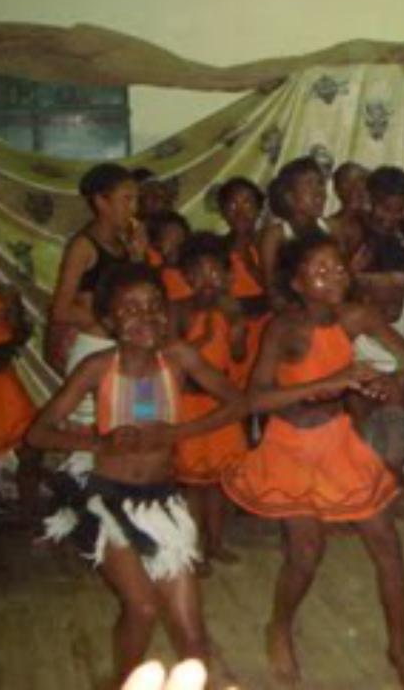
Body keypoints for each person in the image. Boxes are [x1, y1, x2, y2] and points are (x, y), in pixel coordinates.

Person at [220, 233, 404, 688]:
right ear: (296, 283)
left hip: (338, 442)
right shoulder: (285, 328)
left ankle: (398, 646)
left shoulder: (357, 315)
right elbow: (257, 399)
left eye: (338, 267)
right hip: (291, 446)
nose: (333, 276)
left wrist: (386, 382)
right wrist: (329, 382)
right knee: (306, 554)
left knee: (387, 544)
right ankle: (279, 625)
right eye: (319, 271)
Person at [30, 263, 245, 684]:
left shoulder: (179, 358)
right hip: (106, 500)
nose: (145, 317)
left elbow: (238, 403)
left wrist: (178, 431)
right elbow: (38, 433)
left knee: (193, 636)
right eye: (129, 310)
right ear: (108, 321)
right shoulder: (97, 367)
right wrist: (99, 443)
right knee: (143, 607)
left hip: (162, 501)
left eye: (153, 306)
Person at [48, 163, 147, 481]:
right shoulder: (83, 246)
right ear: (101, 201)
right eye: (126, 199)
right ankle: (82, 504)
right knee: (92, 430)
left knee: (129, 420)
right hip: (92, 349)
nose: (134, 208)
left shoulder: (123, 244)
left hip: (123, 348)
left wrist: (138, 258)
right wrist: (111, 319)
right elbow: (61, 310)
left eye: (135, 200)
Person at [170, 233, 248, 574]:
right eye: (198, 274)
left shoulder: (231, 310)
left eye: (215, 273)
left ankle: (216, 542)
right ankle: (192, 548)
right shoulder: (179, 311)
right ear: (187, 277)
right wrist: (200, 341)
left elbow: (238, 356)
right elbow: (171, 361)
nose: (207, 281)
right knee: (192, 486)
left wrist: (236, 330)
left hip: (223, 407)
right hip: (190, 405)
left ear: (228, 277)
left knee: (220, 482)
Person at [346, 166, 404, 481]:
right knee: (363, 422)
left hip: (399, 330)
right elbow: (338, 291)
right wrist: (359, 276)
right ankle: (362, 495)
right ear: (371, 199)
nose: (390, 216)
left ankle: (389, 491)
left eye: (398, 208)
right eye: (385, 207)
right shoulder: (354, 230)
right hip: (364, 335)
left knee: (395, 419)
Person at [0, 239, 40, 522]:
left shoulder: (6, 294)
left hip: (6, 383)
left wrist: (17, 317)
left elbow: (19, 338)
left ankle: (29, 510)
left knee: (31, 447)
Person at [215, 177, 269, 388]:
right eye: (233, 204)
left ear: (258, 208)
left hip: (267, 332)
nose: (240, 210)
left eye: (247, 202)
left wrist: (250, 266)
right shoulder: (216, 248)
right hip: (233, 333)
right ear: (222, 211)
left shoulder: (271, 242)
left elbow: (281, 292)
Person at [257, 157, 330, 310]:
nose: (319, 191)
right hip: (292, 312)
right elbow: (271, 289)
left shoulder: (330, 229)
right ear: (289, 197)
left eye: (320, 183)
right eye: (309, 184)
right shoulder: (275, 235)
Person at [326, 161, 370, 259]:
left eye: (360, 180)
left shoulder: (376, 223)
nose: (354, 187)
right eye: (346, 181)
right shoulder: (331, 227)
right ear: (336, 189)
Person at [146, 211, 193, 303]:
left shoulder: (197, 272)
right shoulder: (156, 279)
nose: (176, 245)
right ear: (157, 243)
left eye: (179, 237)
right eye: (169, 239)